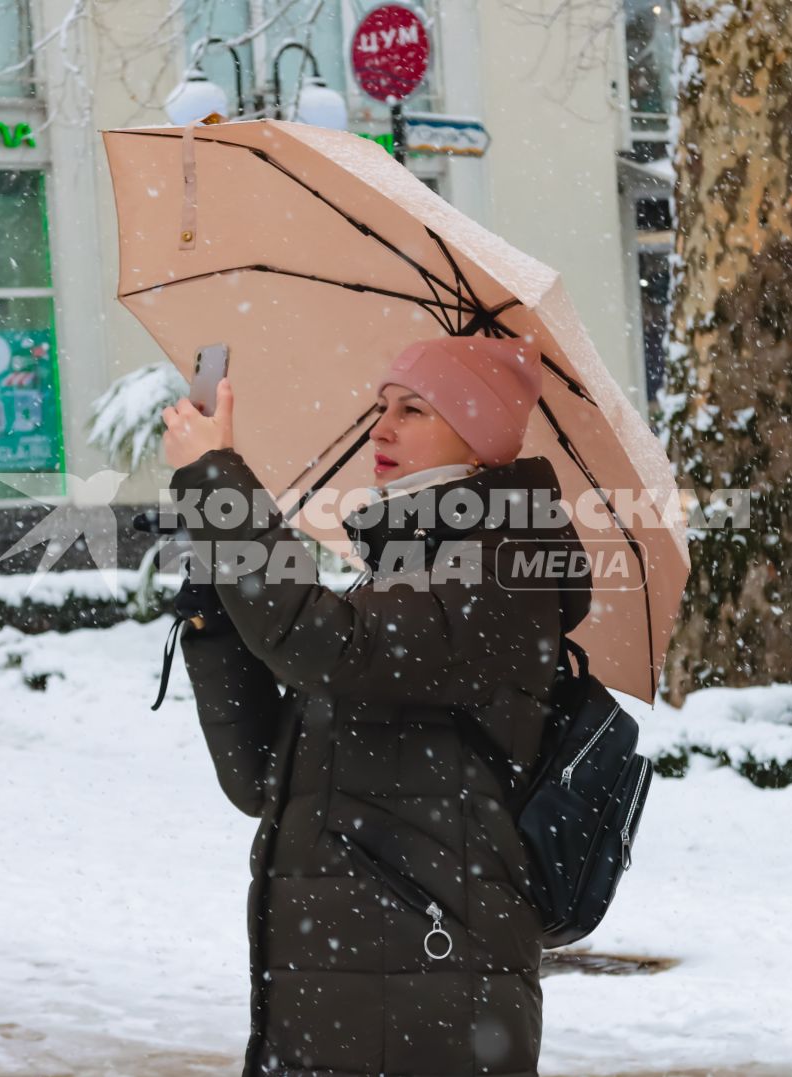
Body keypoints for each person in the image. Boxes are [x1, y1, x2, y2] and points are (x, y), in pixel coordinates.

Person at [160, 336, 592, 1077]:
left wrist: (217, 484)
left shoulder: (504, 569)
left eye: (413, 409)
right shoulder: (399, 574)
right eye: (382, 406)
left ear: (481, 442)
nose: (380, 428)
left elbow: (320, 642)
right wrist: (218, 612)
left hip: (432, 995)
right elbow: (261, 777)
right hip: (339, 998)